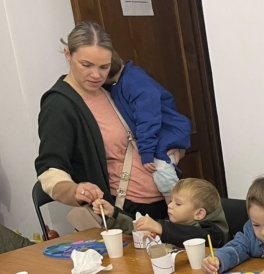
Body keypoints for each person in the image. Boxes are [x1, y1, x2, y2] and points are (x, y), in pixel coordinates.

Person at [34, 22, 179, 221]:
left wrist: (175, 148)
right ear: (68, 54)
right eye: (86, 65)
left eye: (104, 66)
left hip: (166, 203)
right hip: (124, 211)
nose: (96, 75)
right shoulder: (59, 105)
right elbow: (50, 168)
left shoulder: (112, 88)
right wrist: (74, 190)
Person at [105, 53, 192, 197]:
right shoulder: (121, 82)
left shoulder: (134, 80)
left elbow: (148, 117)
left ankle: (175, 204)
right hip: (163, 130)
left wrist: (146, 151)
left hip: (167, 131)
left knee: (161, 168)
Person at [92, 178, 228, 248]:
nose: (170, 206)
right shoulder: (177, 222)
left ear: (199, 214)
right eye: (171, 201)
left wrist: (160, 228)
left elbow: (197, 236)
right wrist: (113, 213)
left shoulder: (214, 232)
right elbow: (141, 224)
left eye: (178, 204)